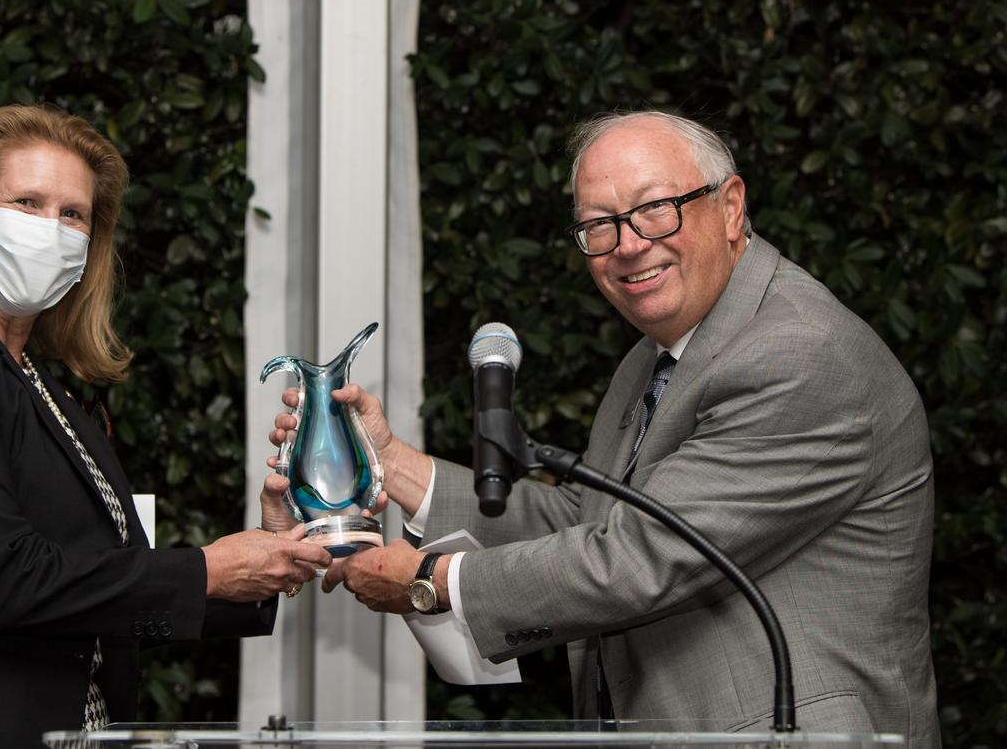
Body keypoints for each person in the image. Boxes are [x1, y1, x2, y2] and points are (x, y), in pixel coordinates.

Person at [270, 111, 939, 743]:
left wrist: (437, 581)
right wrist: (392, 462)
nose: (627, 245)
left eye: (655, 209)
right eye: (599, 225)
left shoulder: (797, 352)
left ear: (731, 206)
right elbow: (586, 519)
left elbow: (642, 557)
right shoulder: (654, 358)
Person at [0, 105, 331, 749]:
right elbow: (9, 580)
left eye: (73, 215)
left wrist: (271, 549)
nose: (52, 230)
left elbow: (98, 580)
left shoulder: (48, 386)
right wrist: (206, 571)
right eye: (28, 202)